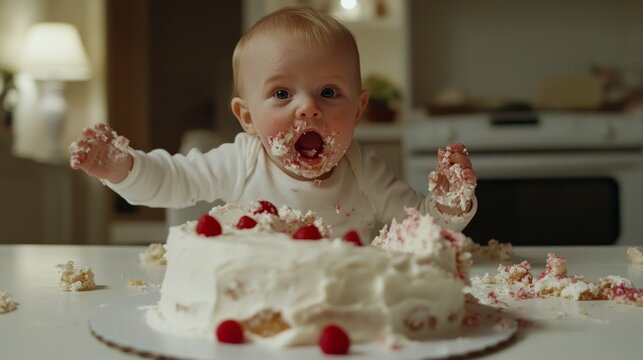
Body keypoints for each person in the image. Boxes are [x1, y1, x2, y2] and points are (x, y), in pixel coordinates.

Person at [69, 6, 477, 243]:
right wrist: (123, 168)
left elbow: (424, 227)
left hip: (349, 316)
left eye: (329, 93)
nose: (308, 109)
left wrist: (448, 204)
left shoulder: (364, 170)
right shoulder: (242, 162)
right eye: (282, 94)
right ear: (246, 117)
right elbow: (173, 180)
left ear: (358, 110)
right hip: (258, 315)